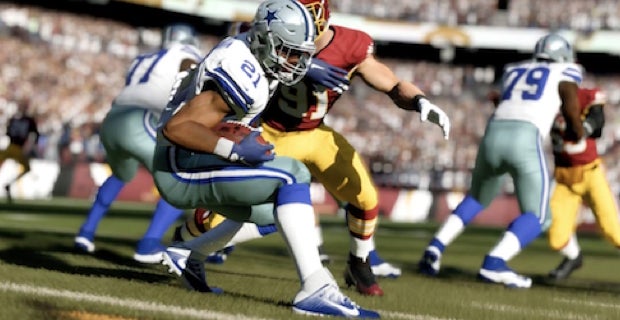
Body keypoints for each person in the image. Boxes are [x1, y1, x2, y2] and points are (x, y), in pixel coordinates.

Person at [172, 0, 450, 296]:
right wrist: (304, 68)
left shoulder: (350, 44)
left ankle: (359, 261)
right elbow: (243, 54)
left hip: (314, 133)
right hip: (268, 131)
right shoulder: (269, 34)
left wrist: (419, 100)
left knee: (365, 197)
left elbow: (392, 85)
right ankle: (182, 245)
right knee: (217, 215)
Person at [155, 0, 378, 317]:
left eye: (301, 53)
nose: (297, 62)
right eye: (289, 51)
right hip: (179, 164)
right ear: (265, 40)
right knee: (292, 175)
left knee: (284, 213)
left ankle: (189, 253)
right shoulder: (241, 73)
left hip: (196, 156)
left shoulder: (255, 52)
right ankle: (315, 288)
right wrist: (231, 150)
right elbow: (176, 128)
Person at [418, 33, 585, 288]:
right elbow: (570, 101)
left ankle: (435, 248)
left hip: (494, 132)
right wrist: (576, 129)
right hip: (525, 137)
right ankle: (495, 262)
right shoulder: (566, 70)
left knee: (476, 197)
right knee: (539, 216)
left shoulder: (515, 69)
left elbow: (502, 98)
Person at [73, 23, 202, 263]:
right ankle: (149, 243)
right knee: (181, 179)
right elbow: (190, 79)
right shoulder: (187, 55)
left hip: (112, 120)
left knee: (121, 174)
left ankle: (86, 232)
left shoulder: (144, 58)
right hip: (141, 119)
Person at [547, 87, 620, 280]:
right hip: (564, 177)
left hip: (590, 174)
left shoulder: (586, 96)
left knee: (614, 231)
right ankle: (574, 257)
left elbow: (598, 122)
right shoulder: (543, 99)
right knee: (556, 238)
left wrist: (583, 128)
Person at [1, 98, 39, 203]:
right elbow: (35, 135)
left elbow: (8, 133)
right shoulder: (29, 120)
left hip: (10, 147)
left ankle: (8, 185)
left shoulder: (14, 119)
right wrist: (32, 147)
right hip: (17, 149)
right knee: (27, 169)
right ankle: (8, 185)